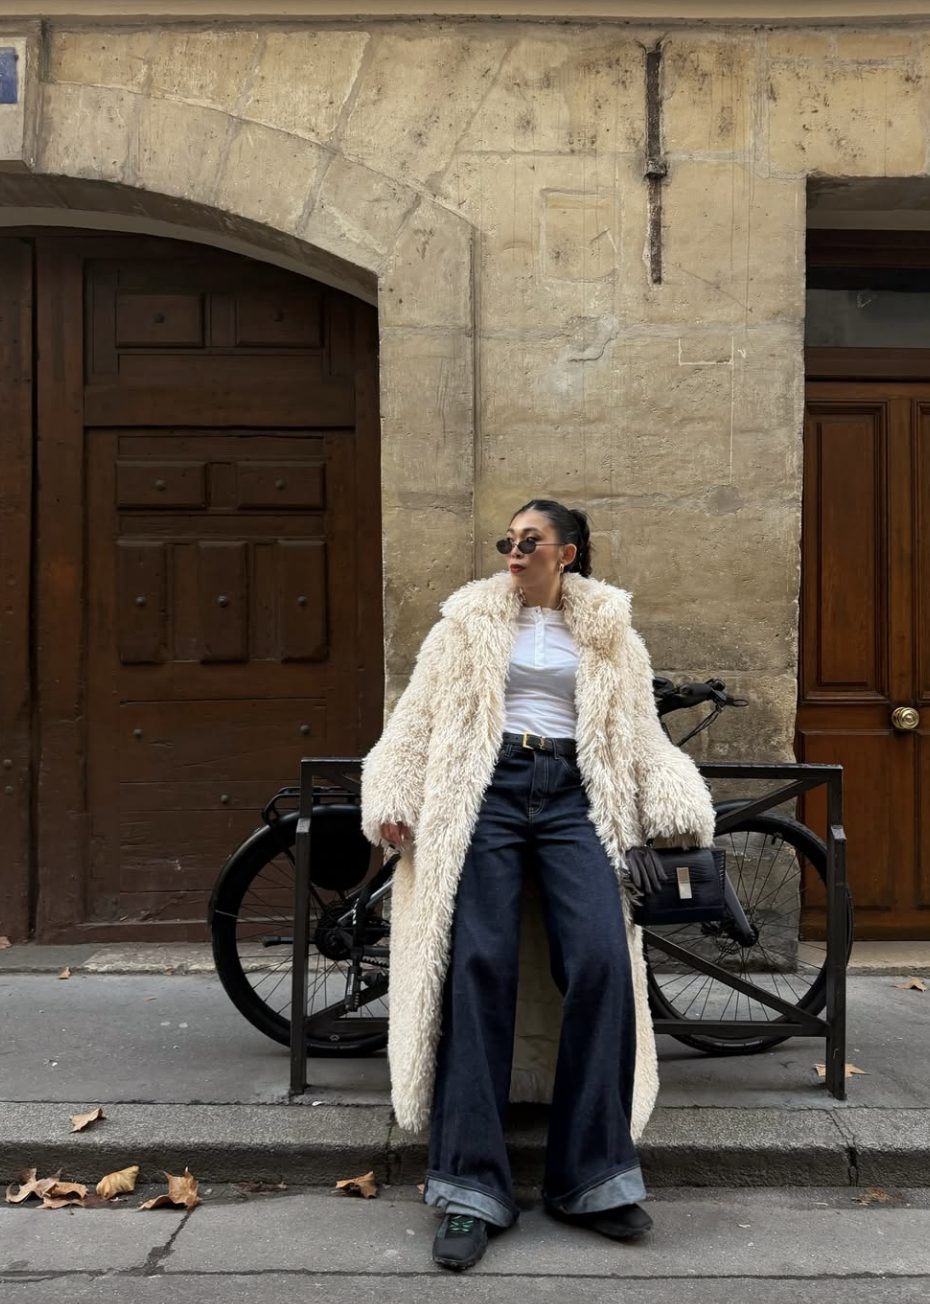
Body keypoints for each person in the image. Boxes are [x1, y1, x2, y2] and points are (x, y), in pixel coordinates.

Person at [360, 498, 716, 1272]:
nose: (514, 553)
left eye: (531, 542)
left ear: (570, 553)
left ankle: (594, 1178)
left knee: (598, 961)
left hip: (574, 798)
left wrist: (675, 802)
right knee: (477, 965)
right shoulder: (465, 621)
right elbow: (413, 718)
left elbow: (640, 736)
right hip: (484, 793)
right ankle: (467, 1190)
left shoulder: (611, 633)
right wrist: (390, 796)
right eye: (507, 542)